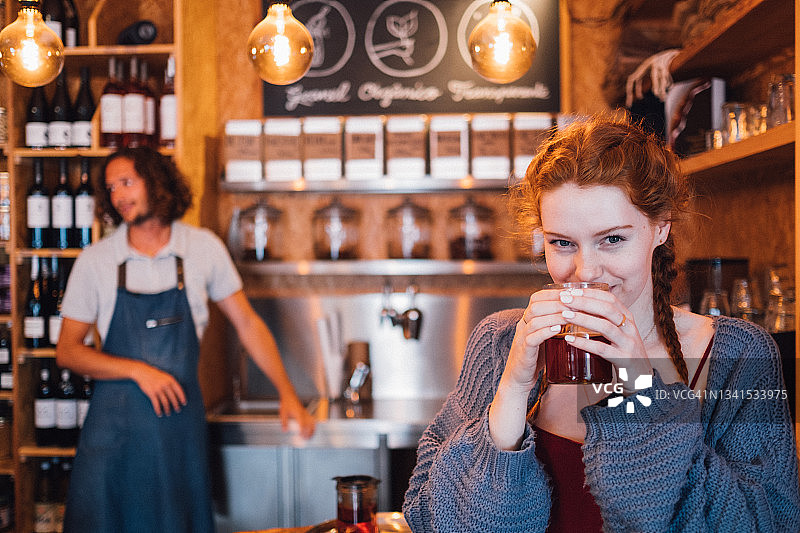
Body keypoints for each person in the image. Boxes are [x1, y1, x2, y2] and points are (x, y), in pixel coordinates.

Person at [402, 116, 800, 532]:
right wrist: (513, 390)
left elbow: (767, 525)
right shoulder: (500, 342)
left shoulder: (739, 357)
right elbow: (428, 515)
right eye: (562, 243)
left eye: (612, 239)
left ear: (660, 227)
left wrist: (643, 394)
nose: (585, 270)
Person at [56, 146, 315, 533]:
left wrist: (287, 393)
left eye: (127, 182)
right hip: (114, 438)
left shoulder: (202, 248)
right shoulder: (95, 261)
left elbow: (247, 323)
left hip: (178, 432)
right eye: (111, 188)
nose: (118, 196)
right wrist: (139, 371)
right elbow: (68, 351)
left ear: (156, 182)